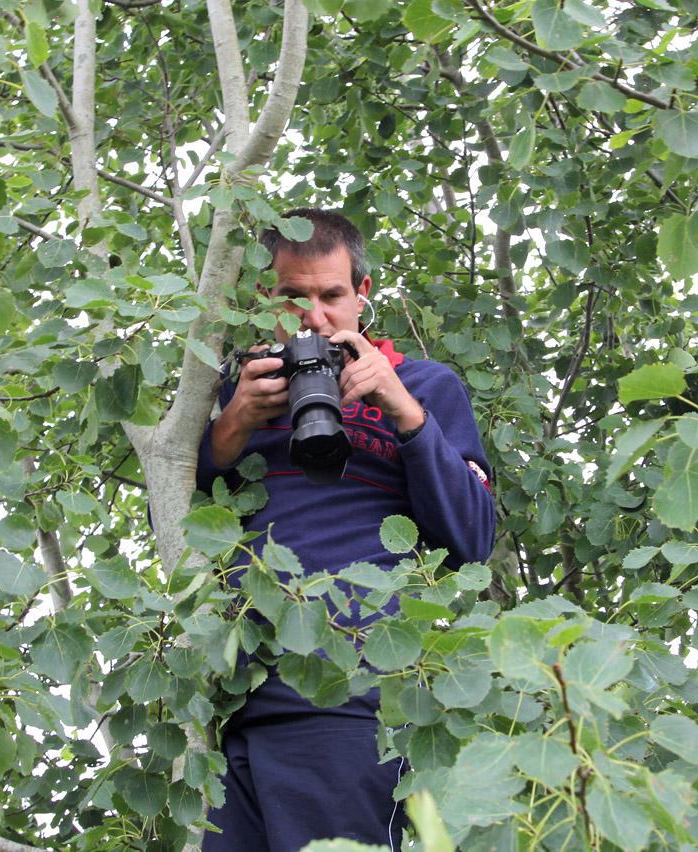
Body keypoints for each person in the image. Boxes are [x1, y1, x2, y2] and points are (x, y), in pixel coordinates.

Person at [195, 208, 496, 852]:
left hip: (350, 689)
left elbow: (471, 542)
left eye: (332, 295)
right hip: (229, 703)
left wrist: (401, 410)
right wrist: (232, 423)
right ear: (261, 302)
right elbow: (179, 523)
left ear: (362, 294)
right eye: (291, 298)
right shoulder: (234, 391)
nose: (314, 318)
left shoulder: (423, 385)